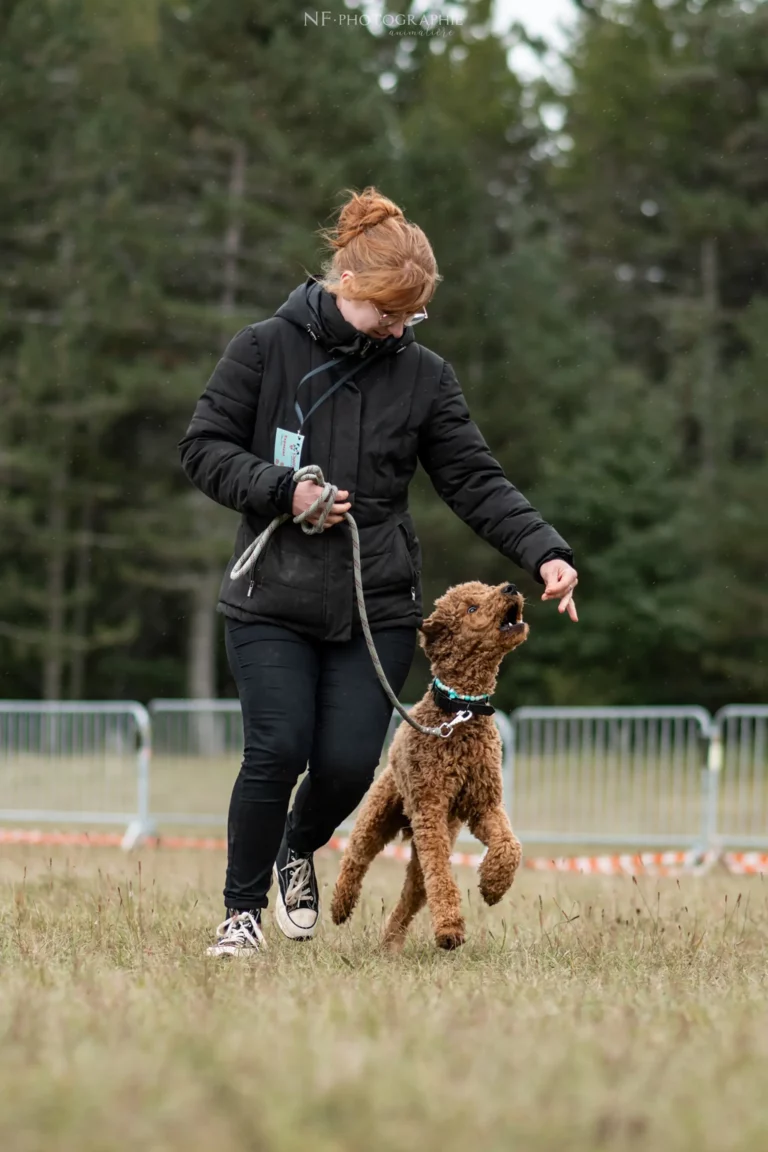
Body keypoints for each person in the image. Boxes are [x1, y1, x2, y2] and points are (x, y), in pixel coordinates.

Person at [178, 186, 578, 956]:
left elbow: (474, 478)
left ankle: (298, 846)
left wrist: (544, 550)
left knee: (346, 764)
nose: (398, 328)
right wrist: (282, 489)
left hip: (379, 604)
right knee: (277, 749)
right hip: (271, 599)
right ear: (348, 284)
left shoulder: (426, 377)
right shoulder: (263, 349)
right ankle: (240, 915)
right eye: (388, 312)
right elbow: (202, 448)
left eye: (411, 317)